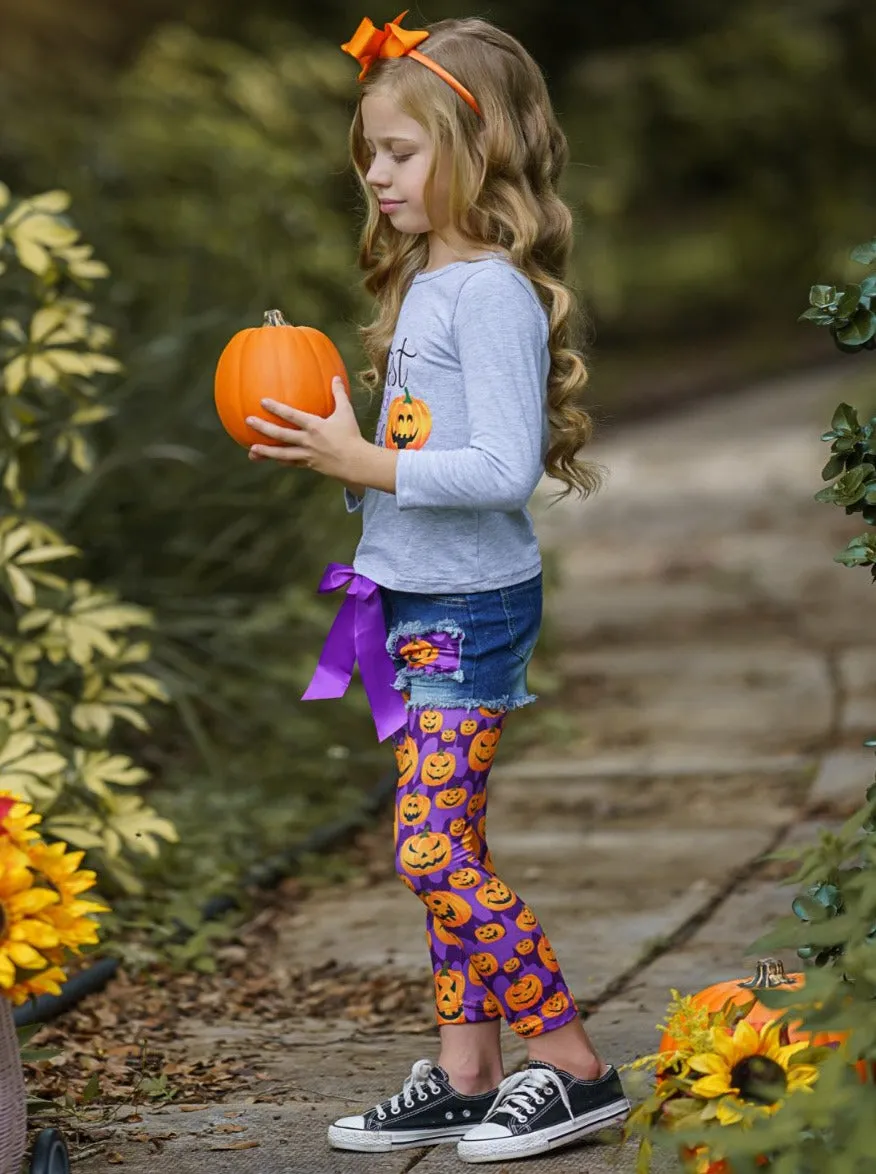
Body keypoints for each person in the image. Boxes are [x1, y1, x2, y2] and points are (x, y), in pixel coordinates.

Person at [244, 10, 631, 1164]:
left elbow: (502, 470)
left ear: (477, 149)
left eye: (399, 152)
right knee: (442, 838)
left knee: (429, 850)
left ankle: (572, 1066)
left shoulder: (494, 295)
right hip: (413, 603)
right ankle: (469, 1070)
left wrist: (370, 461)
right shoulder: (424, 283)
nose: (375, 173)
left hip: (472, 608)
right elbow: (425, 453)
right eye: (369, 152)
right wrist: (349, 450)